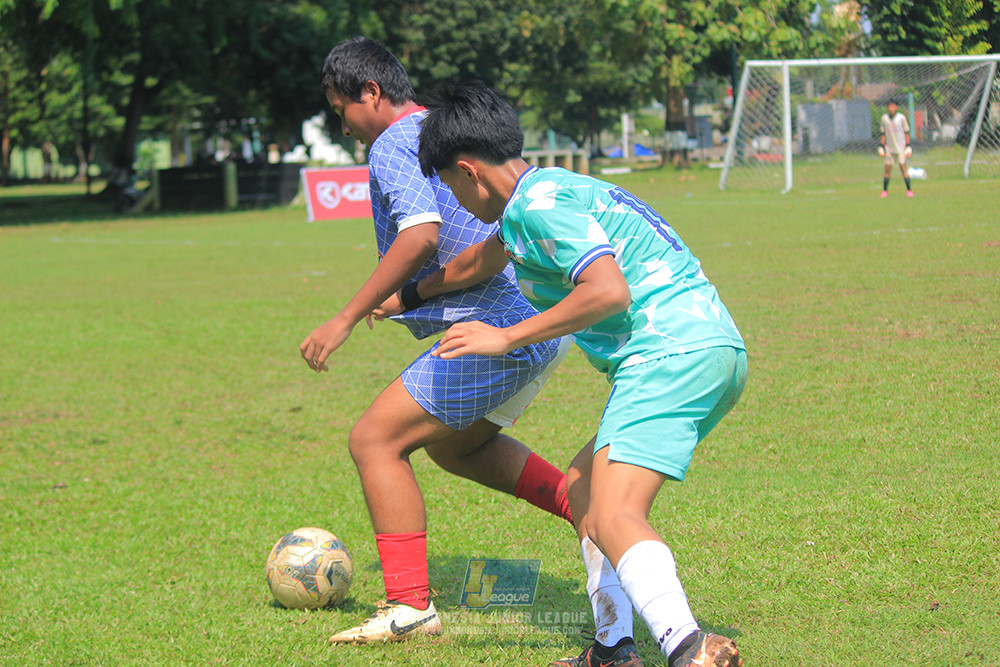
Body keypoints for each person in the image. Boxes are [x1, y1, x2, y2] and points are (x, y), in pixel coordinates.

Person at [378, 82, 747, 667]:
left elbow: (606, 291)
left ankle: (689, 648)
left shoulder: (537, 206)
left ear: (469, 172)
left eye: (449, 184)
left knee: (615, 513)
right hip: (708, 348)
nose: (455, 197)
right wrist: (408, 295)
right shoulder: (545, 191)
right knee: (584, 487)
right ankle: (612, 649)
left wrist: (505, 335)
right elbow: (481, 260)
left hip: (670, 353)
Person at [300, 38, 577, 644]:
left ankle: (409, 607)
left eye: (341, 106)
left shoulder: (392, 144)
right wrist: (408, 298)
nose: (343, 124)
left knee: (375, 440)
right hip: (534, 320)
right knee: (457, 450)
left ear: (371, 93)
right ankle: (585, 507)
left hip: (499, 329)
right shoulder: (437, 130)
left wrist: (343, 317)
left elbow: (422, 233)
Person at [879, 100, 914, 198]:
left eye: (893, 106)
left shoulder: (901, 118)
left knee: (903, 168)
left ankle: (909, 190)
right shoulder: (884, 119)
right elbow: (883, 134)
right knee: (887, 169)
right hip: (889, 148)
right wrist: (881, 146)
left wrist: (908, 145)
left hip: (900, 148)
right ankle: (885, 191)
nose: (892, 109)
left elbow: (906, 132)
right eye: (890, 106)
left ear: (897, 107)